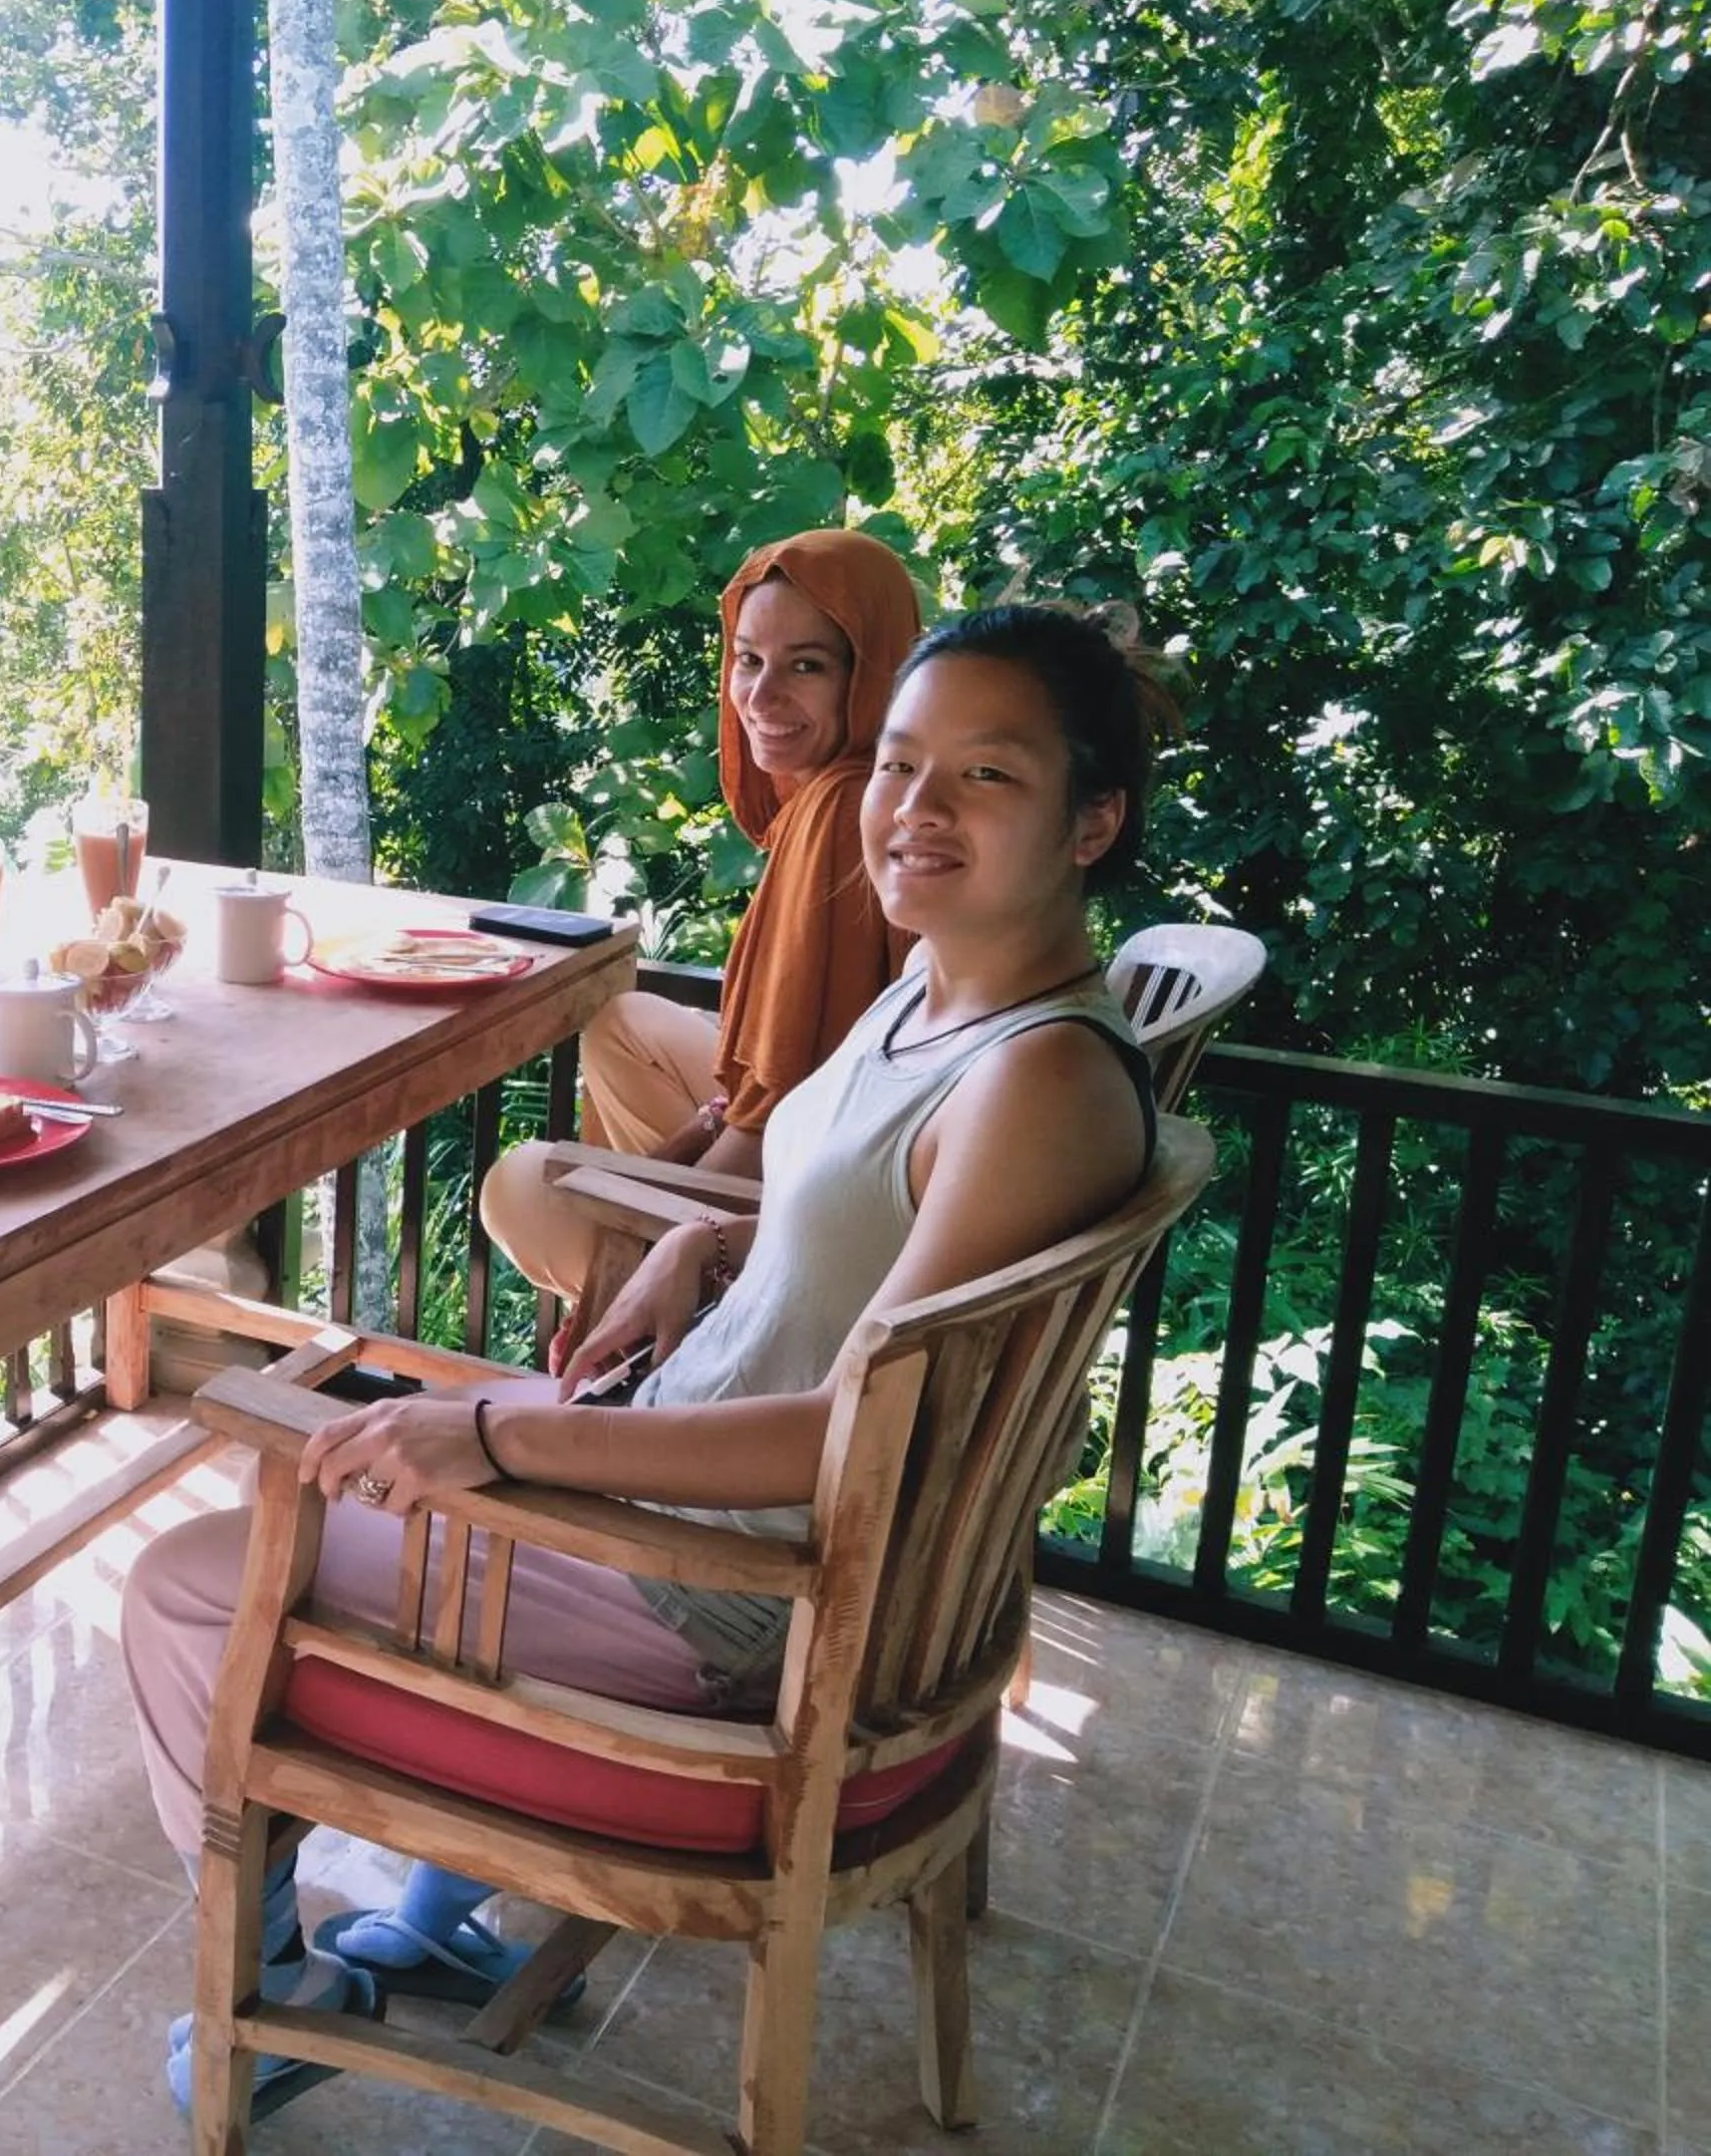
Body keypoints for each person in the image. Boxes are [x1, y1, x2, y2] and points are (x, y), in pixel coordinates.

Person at [124, 606, 1170, 2118]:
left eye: (986, 777)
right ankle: (438, 1913)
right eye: (902, 762)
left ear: (1093, 821)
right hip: (721, 1513)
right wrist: (709, 1242)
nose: (916, 808)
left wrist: (503, 1449)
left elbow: (856, 1438)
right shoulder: (948, 992)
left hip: (738, 1606)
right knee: (390, 1430)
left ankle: (280, 1993)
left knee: (193, 1579)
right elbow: (863, 1222)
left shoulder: (1042, 1082)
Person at [480, 526, 921, 1331]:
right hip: (836, 1146)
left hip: (809, 1222)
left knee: (516, 1185)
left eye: (808, 666)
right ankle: (645, 1239)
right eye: (748, 660)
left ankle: (664, 1313)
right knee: (622, 1020)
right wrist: (672, 1154)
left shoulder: (836, 812)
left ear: (874, 675)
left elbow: (774, 1122)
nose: (760, 695)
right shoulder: (861, 791)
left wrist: (658, 1243)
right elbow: (760, 1091)